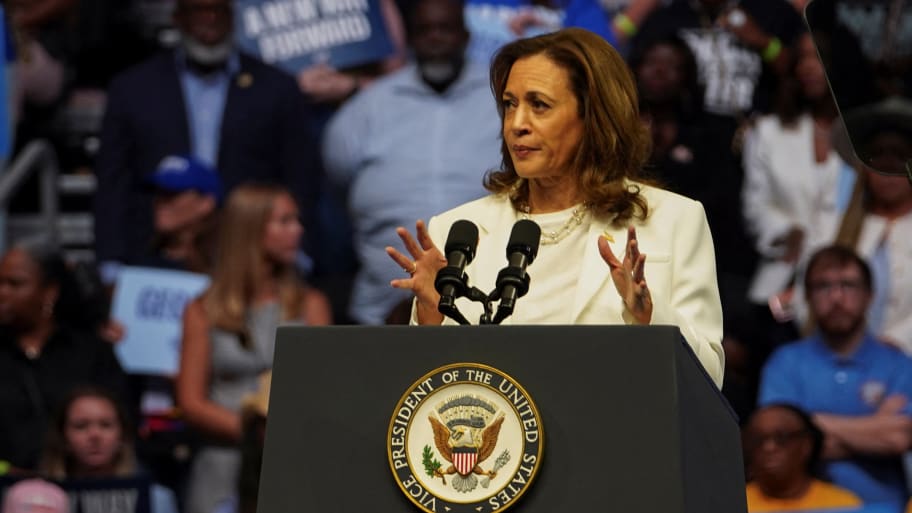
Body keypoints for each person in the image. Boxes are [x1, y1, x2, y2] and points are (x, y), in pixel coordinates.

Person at [386, 28, 725, 387]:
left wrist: (652, 317)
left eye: (539, 105)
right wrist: (429, 318)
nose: (516, 125)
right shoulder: (455, 232)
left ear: (593, 117)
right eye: (510, 104)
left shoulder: (674, 220)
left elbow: (709, 379)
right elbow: (427, 392)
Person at [94, 0, 319, 284]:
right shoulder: (132, 88)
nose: (209, 20)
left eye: (218, 10)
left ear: (233, 17)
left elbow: (300, 176)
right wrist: (111, 265)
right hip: (156, 253)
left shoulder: (278, 88)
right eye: (198, 10)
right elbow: (113, 181)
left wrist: (299, 253)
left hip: (251, 252)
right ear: (177, 17)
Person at [322, 0, 501, 325]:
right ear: (409, 38)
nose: (435, 38)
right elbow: (336, 175)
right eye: (425, 30)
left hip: (487, 307)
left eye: (445, 29)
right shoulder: (367, 108)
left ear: (465, 35)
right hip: (380, 309)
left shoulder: (502, 100)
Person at [176, 184, 331, 513]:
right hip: (224, 463)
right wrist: (256, 436)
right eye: (285, 221)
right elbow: (190, 401)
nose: (298, 230)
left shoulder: (311, 305)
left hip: (295, 464)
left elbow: (326, 389)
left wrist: (281, 440)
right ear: (251, 229)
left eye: (297, 220)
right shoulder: (203, 309)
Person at [758, 244, 912, 509]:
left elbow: (900, 437)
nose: (837, 297)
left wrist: (809, 428)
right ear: (807, 297)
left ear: (870, 296)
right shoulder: (785, 362)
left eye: (848, 285)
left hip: (883, 506)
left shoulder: (898, 363)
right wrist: (876, 425)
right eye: (823, 286)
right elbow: (779, 443)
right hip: (798, 508)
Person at [0, 241, 128, 473]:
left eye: (15, 284)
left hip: (85, 489)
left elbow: (122, 420)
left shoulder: (91, 352)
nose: (3, 293)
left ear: (50, 292)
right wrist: (7, 471)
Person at [39, 386, 178, 513]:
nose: (95, 435)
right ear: (63, 437)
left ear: (122, 436)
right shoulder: (37, 500)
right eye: (81, 426)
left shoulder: (155, 499)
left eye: (106, 425)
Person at [743, 404, 862, 512]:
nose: (769, 447)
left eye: (781, 438)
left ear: (806, 445)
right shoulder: (734, 503)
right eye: (758, 439)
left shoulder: (843, 505)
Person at [139, 154, 223, 274]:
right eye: (158, 193)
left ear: (206, 203)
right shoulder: (139, 260)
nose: (160, 201)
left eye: (172, 194)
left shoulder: (225, 266)